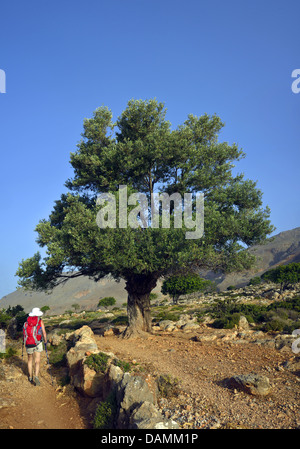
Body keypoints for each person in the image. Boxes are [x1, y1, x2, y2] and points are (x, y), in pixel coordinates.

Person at [24, 307, 47, 386]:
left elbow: (24, 333)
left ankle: (30, 376)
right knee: (37, 361)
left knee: (30, 360)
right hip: (38, 342)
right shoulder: (40, 321)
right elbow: (43, 332)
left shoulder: (26, 322)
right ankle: (36, 376)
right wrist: (45, 340)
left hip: (29, 343)